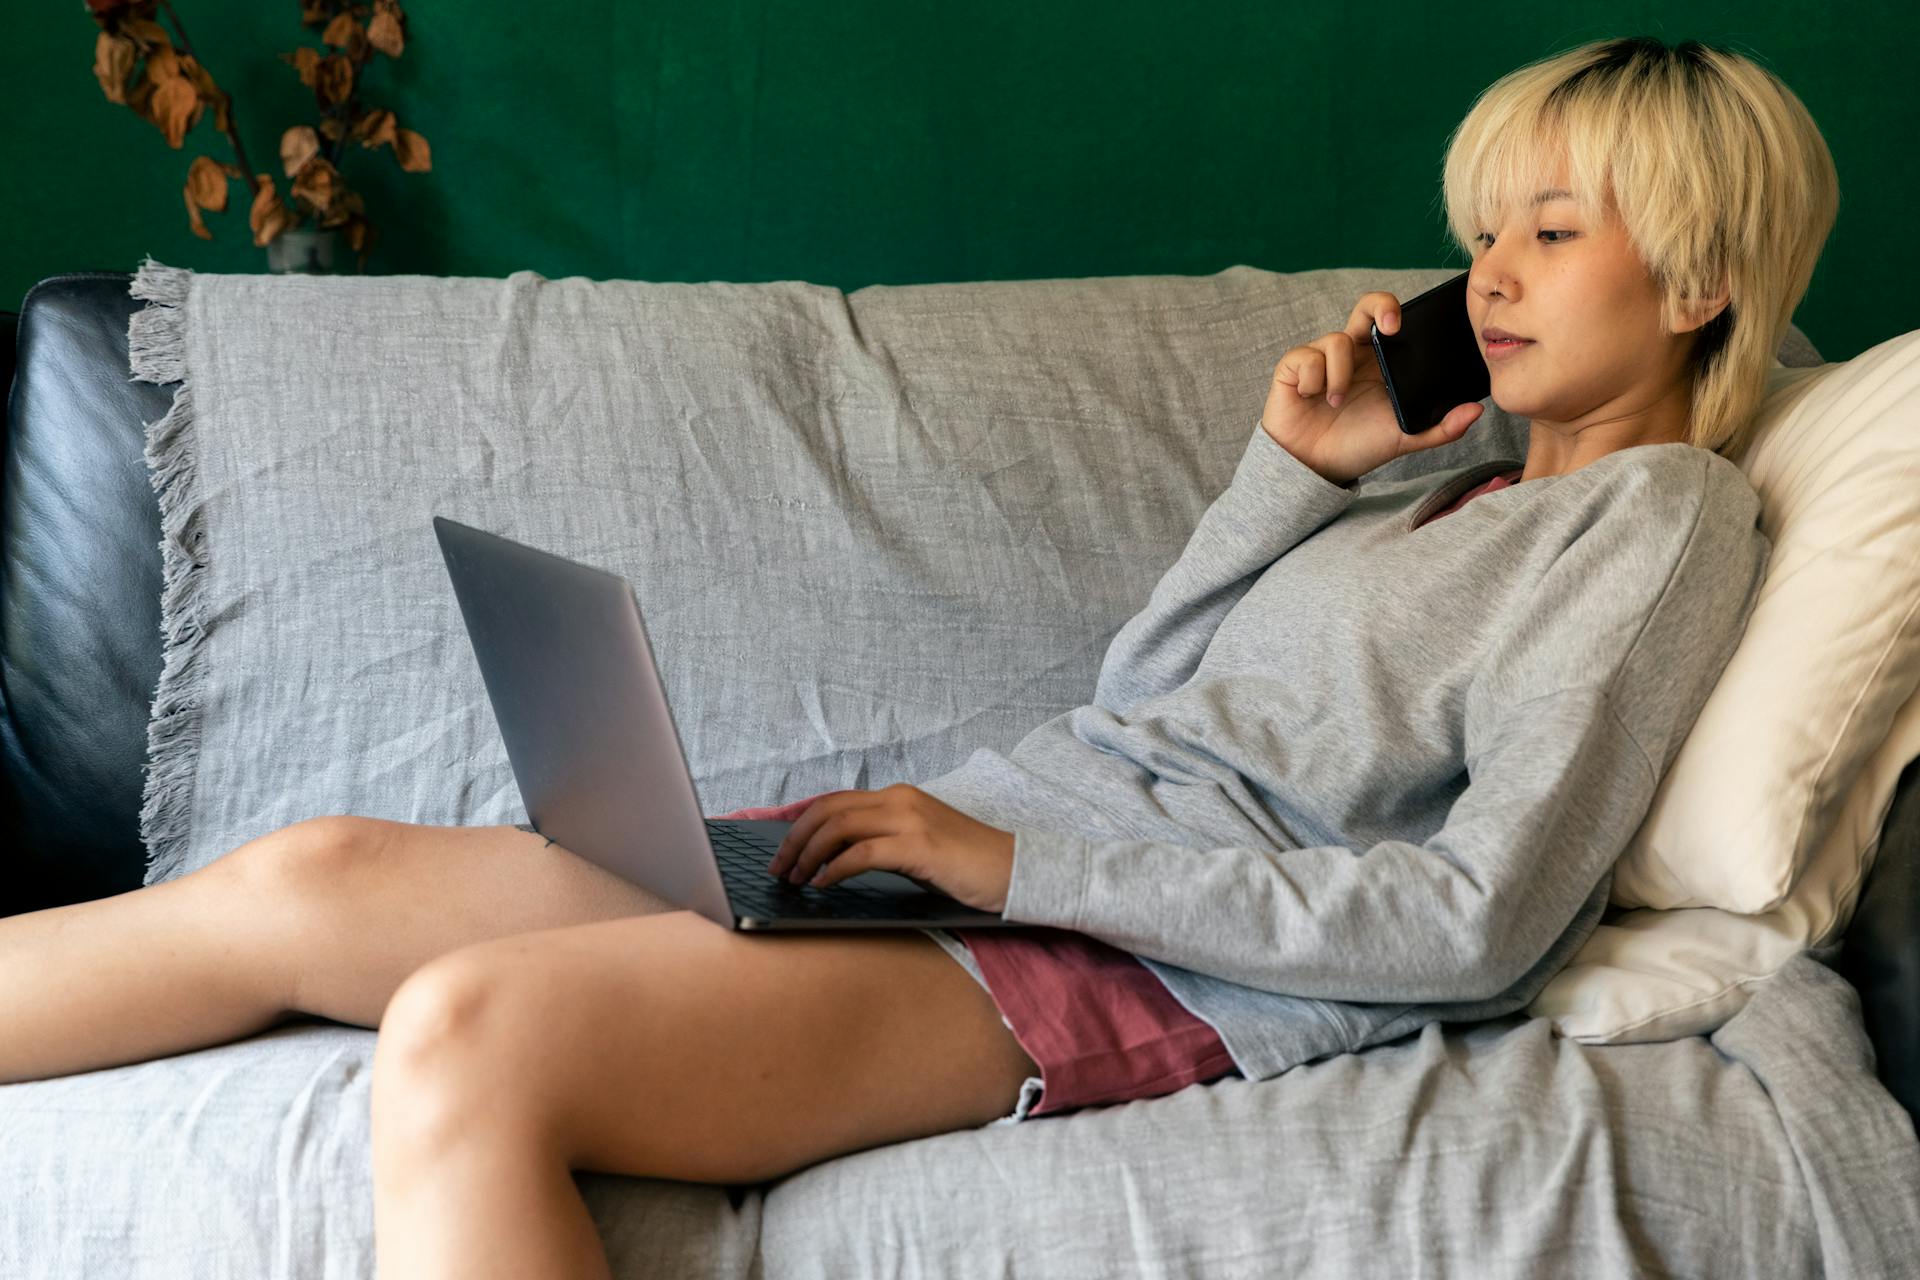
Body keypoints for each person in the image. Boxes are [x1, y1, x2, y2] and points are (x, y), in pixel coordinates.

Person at [0, 33, 1839, 1277]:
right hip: (966, 852)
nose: (1487, 273)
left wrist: (1011, 870)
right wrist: (1297, 476)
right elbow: (1159, 696)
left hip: (1102, 950)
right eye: (1482, 233)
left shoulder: (1664, 522)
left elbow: (1479, 922)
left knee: (479, 1033)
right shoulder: (1447, 499)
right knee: (307, 876)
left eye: (1552, 228)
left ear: (1698, 286)